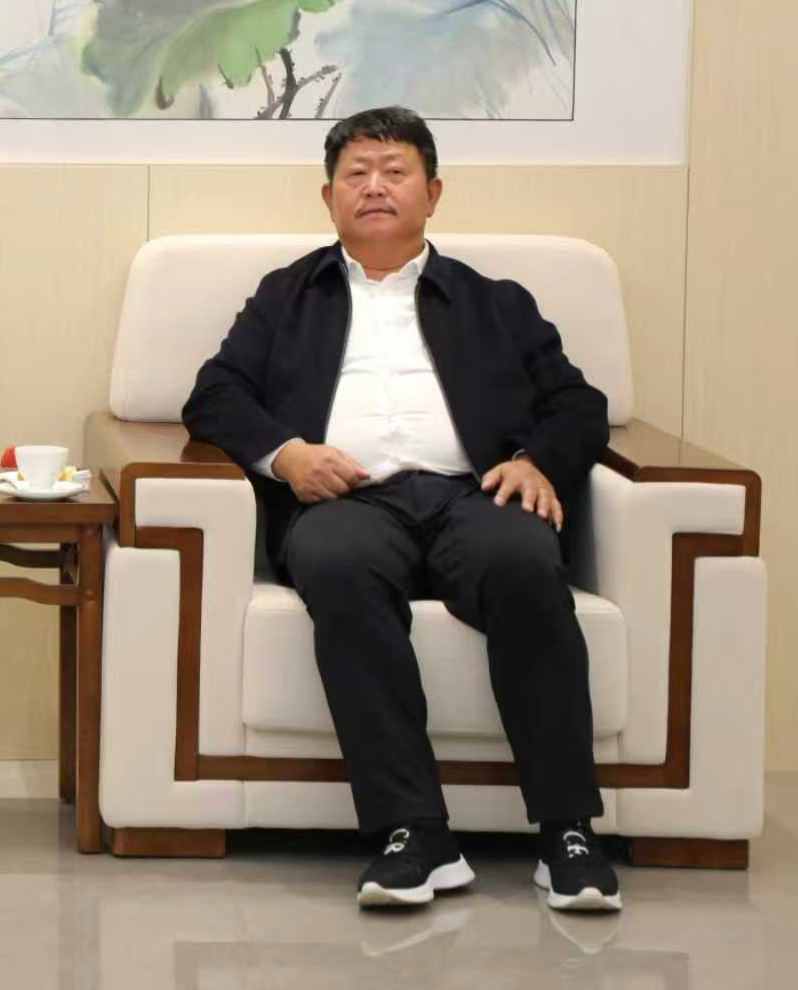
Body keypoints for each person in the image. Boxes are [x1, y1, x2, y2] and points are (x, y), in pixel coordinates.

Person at [182, 106, 621, 913]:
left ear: (432, 192)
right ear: (328, 198)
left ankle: (568, 831)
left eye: (394, 171)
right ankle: (412, 832)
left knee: (525, 562)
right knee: (336, 566)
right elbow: (215, 396)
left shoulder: (495, 301)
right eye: (356, 174)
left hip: (473, 495)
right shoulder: (287, 297)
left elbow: (578, 404)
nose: (375, 187)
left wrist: (535, 461)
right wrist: (287, 454)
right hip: (348, 501)